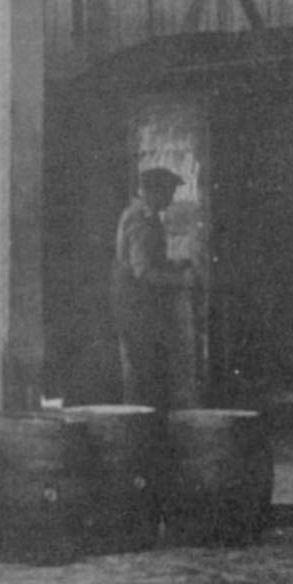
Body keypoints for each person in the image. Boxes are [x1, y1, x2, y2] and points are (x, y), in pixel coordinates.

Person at [110, 166, 196, 413]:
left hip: (138, 306)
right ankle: (140, 433)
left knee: (145, 371)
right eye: (168, 191)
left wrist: (174, 264)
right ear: (152, 191)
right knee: (141, 374)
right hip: (135, 307)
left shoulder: (143, 215)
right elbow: (143, 272)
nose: (171, 197)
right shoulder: (140, 219)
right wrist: (181, 280)